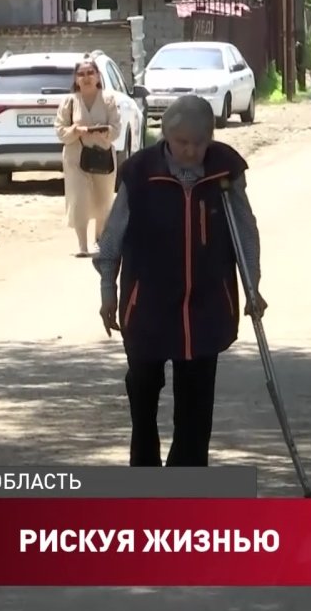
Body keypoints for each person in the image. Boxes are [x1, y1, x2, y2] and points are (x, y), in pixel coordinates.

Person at [92, 95, 267, 467]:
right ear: (167, 137)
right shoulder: (140, 172)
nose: (191, 151)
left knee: (196, 408)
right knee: (142, 393)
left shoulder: (224, 171)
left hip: (206, 306)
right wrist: (109, 289)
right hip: (147, 304)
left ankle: (186, 488)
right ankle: (146, 479)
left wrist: (252, 286)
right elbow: (112, 238)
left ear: (211, 138)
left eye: (199, 142)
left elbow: (245, 232)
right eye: (182, 142)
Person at [54, 54, 122, 257]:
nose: (86, 77)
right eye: (81, 74)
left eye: (90, 73)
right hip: (76, 156)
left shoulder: (109, 99)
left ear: (98, 76)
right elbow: (59, 130)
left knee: (103, 200)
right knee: (79, 199)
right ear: (75, 79)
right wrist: (75, 130)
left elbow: (116, 129)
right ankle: (82, 246)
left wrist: (104, 131)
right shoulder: (69, 101)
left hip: (102, 155)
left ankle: (99, 239)